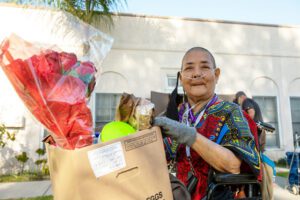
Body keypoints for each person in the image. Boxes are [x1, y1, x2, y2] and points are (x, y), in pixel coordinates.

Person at [154, 47, 260, 199]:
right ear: (181, 77)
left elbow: (233, 165)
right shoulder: (176, 113)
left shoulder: (231, 111)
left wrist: (188, 135)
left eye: (204, 67)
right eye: (189, 68)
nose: (196, 73)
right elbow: (157, 155)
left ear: (216, 75)